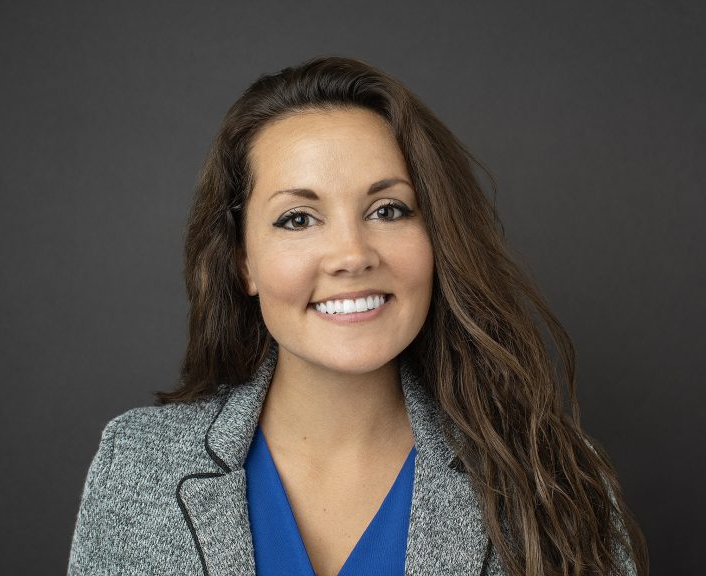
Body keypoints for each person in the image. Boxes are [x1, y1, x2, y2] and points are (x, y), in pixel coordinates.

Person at [67, 56, 648, 576]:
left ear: (438, 237)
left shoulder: (557, 475)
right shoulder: (138, 464)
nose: (352, 255)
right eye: (298, 219)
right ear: (243, 262)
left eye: (388, 209)